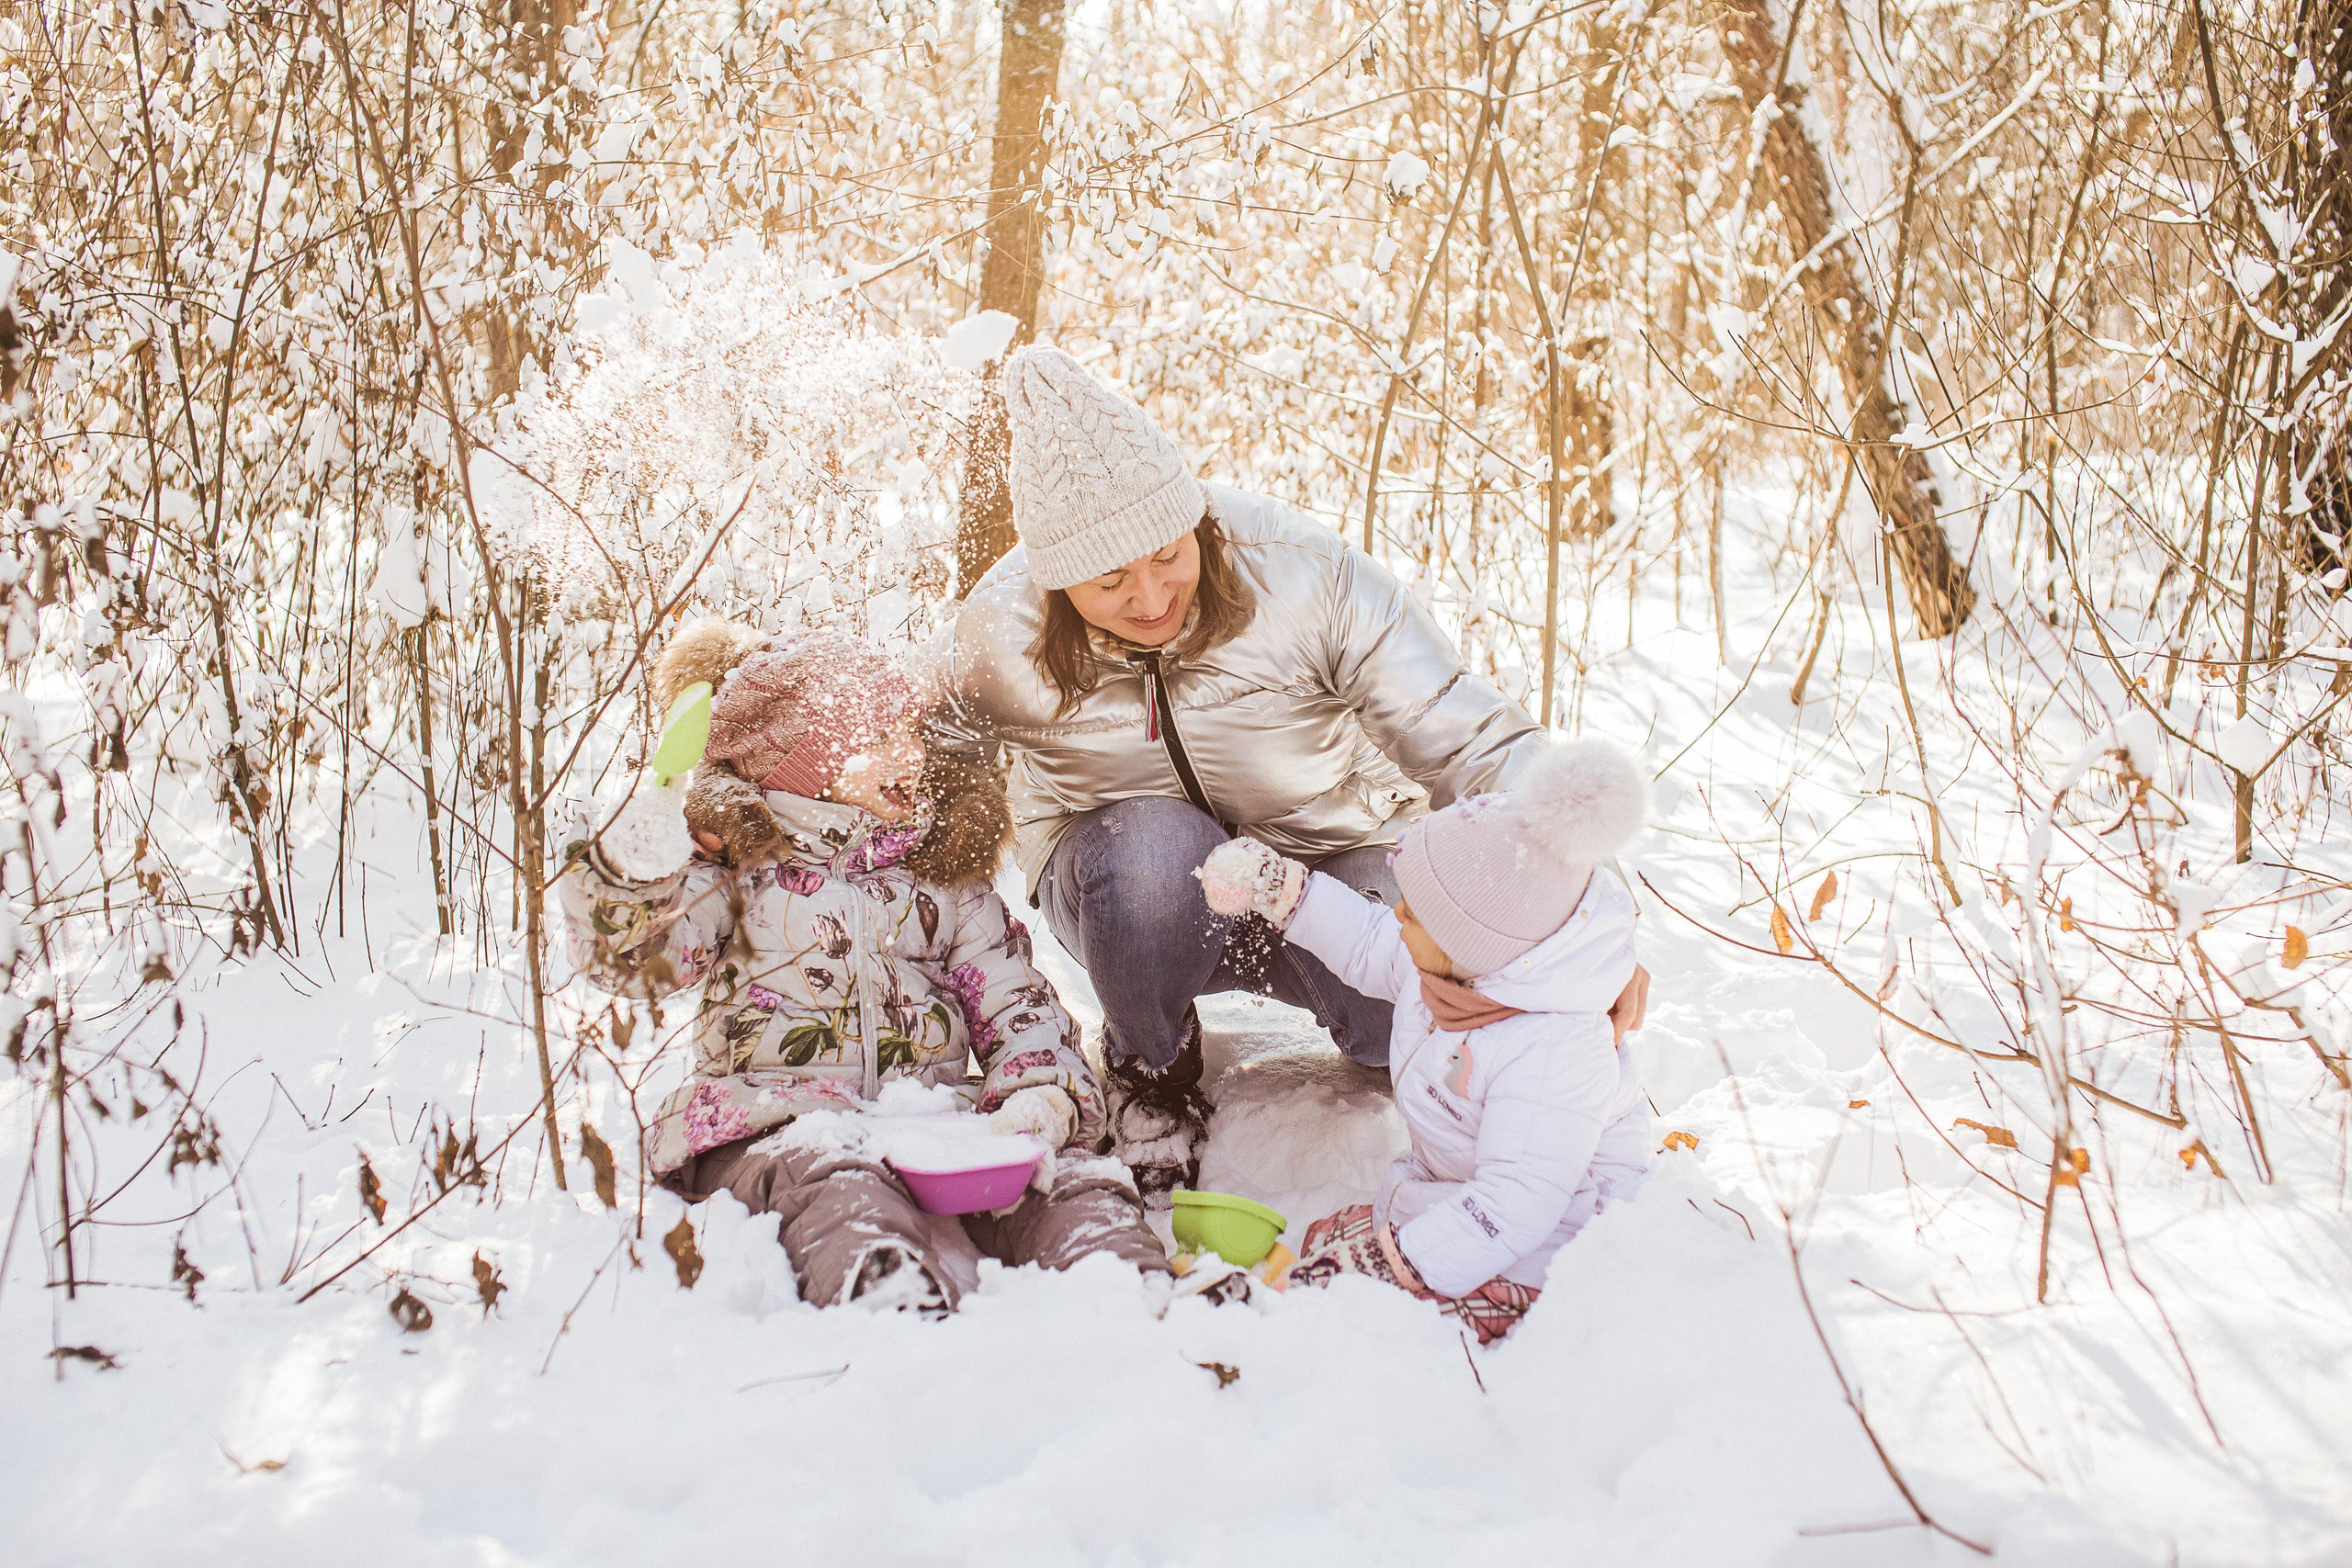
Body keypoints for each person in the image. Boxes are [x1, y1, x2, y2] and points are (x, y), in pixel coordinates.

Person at [928, 344, 1648, 1201]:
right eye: (1109, 580)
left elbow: (1473, 742)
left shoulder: (1307, 575)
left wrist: (1582, 932)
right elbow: (915, 782)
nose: (1153, 596)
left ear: (1194, 518)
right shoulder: (997, 634)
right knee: (1155, 848)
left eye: (1168, 553)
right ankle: (1150, 1068)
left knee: (1419, 998)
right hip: (1135, 901)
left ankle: (1441, 1069)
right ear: (1052, 583)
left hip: (1331, 869)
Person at [559, 619, 1176, 1315]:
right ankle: (884, 1286)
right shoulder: (734, 873)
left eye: (910, 733)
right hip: (781, 1121)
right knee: (832, 1181)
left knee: (1055, 1172)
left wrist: (1043, 1089)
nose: (908, 755)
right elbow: (638, 960)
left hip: (934, 1123)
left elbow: (1015, 1000)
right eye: (878, 739)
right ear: (801, 765)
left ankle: (1123, 1272)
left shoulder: (942, 878)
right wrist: (628, 875)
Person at [1197, 739, 1653, 1344]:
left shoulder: (1552, 1051)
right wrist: (1282, 887)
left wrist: (1396, 1265)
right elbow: (1364, 940)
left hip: (1549, 1245)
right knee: (1329, 1260)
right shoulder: (1450, 969)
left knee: (1384, 1323)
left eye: (1418, 911)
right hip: (1464, 1195)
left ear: (1474, 940)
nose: (1399, 913)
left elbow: (1515, 1205)